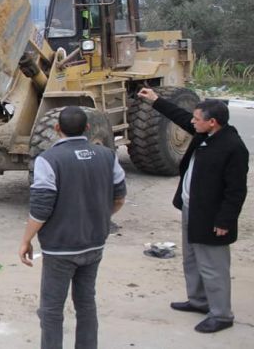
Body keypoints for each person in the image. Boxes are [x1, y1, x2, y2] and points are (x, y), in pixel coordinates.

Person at [137, 88, 248, 333]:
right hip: (192, 208)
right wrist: (156, 100)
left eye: (197, 119)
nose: (192, 122)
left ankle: (221, 314)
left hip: (212, 217)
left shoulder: (233, 147)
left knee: (213, 265)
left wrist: (225, 221)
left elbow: (236, 192)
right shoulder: (204, 134)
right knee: (192, 259)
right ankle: (198, 300)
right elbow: (179, 116)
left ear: (212, 122)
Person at [19, 106, 126, 349]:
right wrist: (97, 216)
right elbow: (119, 198)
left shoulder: (48, 160)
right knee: (86, 302)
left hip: (60, 249)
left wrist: (26, 239)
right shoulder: (108, 155)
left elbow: (41, 208)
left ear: (57, 129)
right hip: (95, 243)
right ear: (88, 128)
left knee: (51, 309)